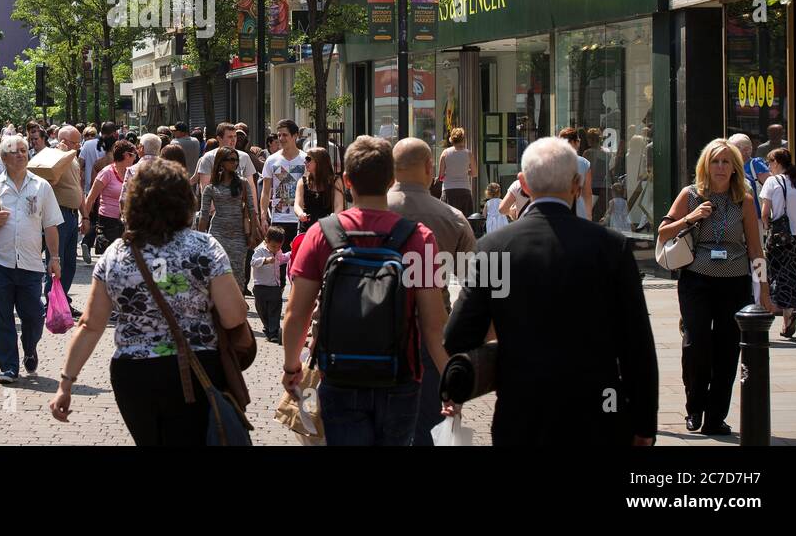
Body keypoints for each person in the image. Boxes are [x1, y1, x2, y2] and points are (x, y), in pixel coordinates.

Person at [445, 136, 659, 445]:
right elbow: (636, 342)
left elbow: (458, 335)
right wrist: (644, 423)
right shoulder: (610, 246)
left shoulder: (494, 248)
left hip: (522, 410)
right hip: (597, 411)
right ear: (576, 184)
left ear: (523, 184)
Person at [49, 158, 247, 444]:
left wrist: (65, 384)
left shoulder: (116, 254)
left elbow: (90, 325)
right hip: (195, 368)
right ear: (183, 201)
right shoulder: (204, 248)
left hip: (134, 373)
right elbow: (233, 316)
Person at [282, 136, 448, 446]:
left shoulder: (322, 233)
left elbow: (296, 312)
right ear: (391, 180)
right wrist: (450, 382)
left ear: (346, 181)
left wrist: (293, 367)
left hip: (340, 373)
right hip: (400, 375)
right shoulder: (418, 238)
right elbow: (433, 323)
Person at [659, 138, 771, 435]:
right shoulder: (691, 195)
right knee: (697, 344)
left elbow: (755, 250)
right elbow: (662, 232)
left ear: (735, 167)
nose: (720, 167)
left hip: (735, 283)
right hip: (697, 280)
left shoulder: (744, 199)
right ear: (705, 165)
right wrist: (691, 217)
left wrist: (765, 293)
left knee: (728, 349)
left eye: (726, 162)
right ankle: (694, 407)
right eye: (715, 161)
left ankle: (715, 416)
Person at [385, 137, 479, 446]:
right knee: (430, 422)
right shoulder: (452, 217)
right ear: (429, 168)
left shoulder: (365, 213)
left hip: (373, 329)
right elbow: (473, 283)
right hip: (433, 331)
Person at [0, 136, 62, 385]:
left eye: (24, 150)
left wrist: (54, 258)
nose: (21, 154)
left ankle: (30, 347)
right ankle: (9, 367)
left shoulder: (41, 186)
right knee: (3, 318)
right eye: (14, 151)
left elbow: (52, 224)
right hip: (0, 261)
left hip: (32, 263)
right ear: (3, 158)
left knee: (33, 315)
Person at [760, 148, 796, 339]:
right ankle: (790, 315)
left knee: (778, 274)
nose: (769, 166)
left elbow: (765, 213)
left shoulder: (772, 182)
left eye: (770, 162)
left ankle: (782, 312)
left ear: (777, 163)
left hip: (779, 237)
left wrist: (766, 229)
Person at [199, 146, 256, 293]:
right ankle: (219, 307)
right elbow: (204, 215)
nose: (235, 163)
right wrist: (200, 239)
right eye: (231, 160)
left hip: (238, 234)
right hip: (217, 233)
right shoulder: (211, 188)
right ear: (221, 162)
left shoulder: (243, 183)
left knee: (237, 273)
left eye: (236, 160)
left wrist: (252, 234)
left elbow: (251, 209)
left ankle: (237, 309)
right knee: (216, 271)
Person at [259, 119, 307, 276]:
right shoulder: (272, 160)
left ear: (295, 136)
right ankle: (276, 297)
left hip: (299, 220)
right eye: (279, 135)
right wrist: (263, 216)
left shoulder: (305, 160)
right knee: (277, 264)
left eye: (285, 135)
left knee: (298, 262)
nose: (281, 138)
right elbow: (266, 192)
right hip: (278, 218)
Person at [49, 125, 84, 312]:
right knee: (56, 260)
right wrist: (59, 155)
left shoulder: (74, 158)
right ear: (63, 141)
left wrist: (84, 215)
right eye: (75, 143)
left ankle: (63, 301)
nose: (78, 146)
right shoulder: (54, 156)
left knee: (70, 262)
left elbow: (78, 188)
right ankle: (52, 302)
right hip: (58, 215)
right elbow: (50, 179)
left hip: (72, 215)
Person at [82, 140, 136, 254]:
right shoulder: (107, 172)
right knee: (110, 259)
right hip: (108, 223)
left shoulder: (131, 173)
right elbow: (91, 198)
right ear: (126, 155)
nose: (135, 159)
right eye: (133, 155)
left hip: (126, 221)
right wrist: (85, 219)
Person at [293, 147, 344, 241]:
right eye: (305, 159)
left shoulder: (335, 181)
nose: (305, 162)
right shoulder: (302, 181)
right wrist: (300, 214)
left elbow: (339, 205)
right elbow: (297, 204)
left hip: (328, 228)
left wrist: (334, 216)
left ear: (319, 161)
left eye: (308, 159)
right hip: (307, 228)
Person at [251, 226, 290, 342]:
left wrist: (291, 254)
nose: (276, 249)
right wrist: (265, 261)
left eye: (279, 246)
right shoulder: (259, 250)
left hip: (274, 287)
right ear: (266, 240)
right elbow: (253, 262)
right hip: (260, 287)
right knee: (262, 310)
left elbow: (281, 259)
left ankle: (273, 333)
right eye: (273, 246)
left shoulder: (278, 251)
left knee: (275, 310)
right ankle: (268, 328)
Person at [196, 122, 257, 190]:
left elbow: (251, 186)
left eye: (235, 136)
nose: (233, 140)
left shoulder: (244, 157)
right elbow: (205, 187)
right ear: (219, 139)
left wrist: (253, 201)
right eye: (230, 137)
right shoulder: (208, 158)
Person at [437, 127, 478, 217]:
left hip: (448, 191)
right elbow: (475, 173)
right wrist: (465, 172)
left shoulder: (445, 153)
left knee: (449, 221)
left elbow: (440, 176)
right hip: (464, 190)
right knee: (465, 220)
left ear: (451, 139)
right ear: (463, 139)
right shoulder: (468, 153)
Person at [558, 127, 595, 219]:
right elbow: (587, 193)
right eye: (578, 140)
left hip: (557, 211)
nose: (579, 142)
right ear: (574, 142)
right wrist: (589, 215)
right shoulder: (584, 163)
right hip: (579, 212)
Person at [731, 133, 769, 201]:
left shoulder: (756, 164)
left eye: (747, 148)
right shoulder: (729, 165)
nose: (745, 151)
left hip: (754, 208)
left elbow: (771, 186)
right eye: (739, 147)